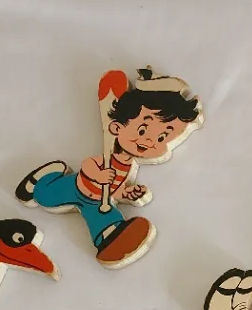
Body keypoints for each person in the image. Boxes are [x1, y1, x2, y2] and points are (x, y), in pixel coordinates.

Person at [15, 69, 203, 268]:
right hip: (75, 186)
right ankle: (42, 179)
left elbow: (116, 188)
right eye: (142, 130)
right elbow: (88, 164)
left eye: (161, 137)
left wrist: (126, 193)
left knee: (105, 217)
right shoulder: (108, 157)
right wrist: (98, 174)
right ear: (116, 127)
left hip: (96, 201)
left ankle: (111, 239)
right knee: (46, 197)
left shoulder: (128, 166)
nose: (149, 141)